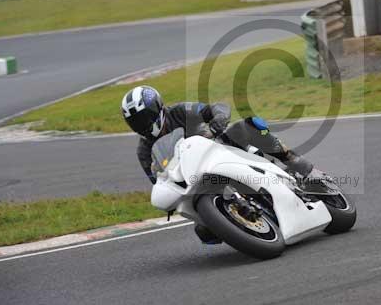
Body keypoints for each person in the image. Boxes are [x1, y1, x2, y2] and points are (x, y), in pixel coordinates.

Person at [120, 86, 315, 243]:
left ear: (158, 107)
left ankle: (300, 166)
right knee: (204, 231)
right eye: (135, 122)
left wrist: (218, 119)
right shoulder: (144, 151)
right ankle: (240, 221)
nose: (142, 125)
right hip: (195, 180)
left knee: (250, 126)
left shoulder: (180, 111)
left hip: (221, 150)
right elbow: (157, 179)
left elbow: (214, 108)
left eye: (144, 117)